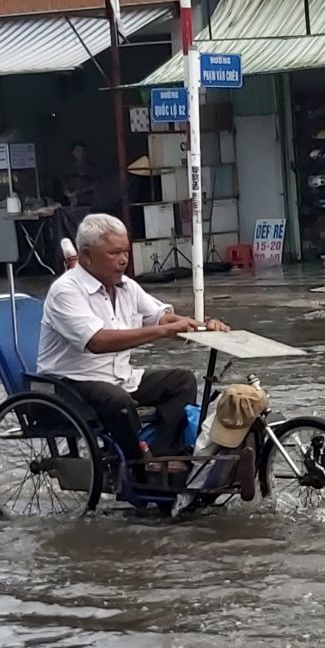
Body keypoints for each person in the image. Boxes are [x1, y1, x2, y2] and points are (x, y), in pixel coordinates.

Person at [37, 213, 228, 471]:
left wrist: (204, 326)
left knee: (181, 382)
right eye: (114, 253)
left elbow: (162, 317)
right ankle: (134, 465)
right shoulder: (66, 291)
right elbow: (98, 341)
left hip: (119, 377)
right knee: (118, 402)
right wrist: (162, 332)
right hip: (73, 382)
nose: (124, 260)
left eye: (125, 251)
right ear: (86, 255)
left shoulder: (127, 286)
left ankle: (164, 455)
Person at [64, 141, 99, 208]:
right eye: (77, 150)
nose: (80, 153)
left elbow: (97, 184)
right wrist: (68, 194)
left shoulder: (92, 168)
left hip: (89, 200)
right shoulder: (69, 168)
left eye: (82, 150)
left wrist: (81, 191)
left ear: (85, 152)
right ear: (73, 153)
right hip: (73, 201)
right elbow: (65, 183)